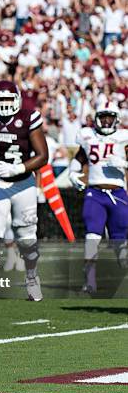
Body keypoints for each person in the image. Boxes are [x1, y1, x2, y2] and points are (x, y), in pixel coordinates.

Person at [0, 80, 48, 302]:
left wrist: (20, 167)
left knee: (26, 237)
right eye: (0, 100)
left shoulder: (27, 117)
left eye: (8, 99)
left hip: (23, 183)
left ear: (18, 100)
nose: (4, 104)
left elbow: (43, 155)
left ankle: (32, 277)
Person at [68, 102, 127, 294]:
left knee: (120, 241)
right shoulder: (88, 136)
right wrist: (72, 173)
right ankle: (90, 280)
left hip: (118, 193)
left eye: (110, 117)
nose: (106, 121)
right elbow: (80, 158)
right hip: (95, 193)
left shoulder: (123, 137)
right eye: (103, 117)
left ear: (116, 119)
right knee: (92, 235)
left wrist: (124, 163)